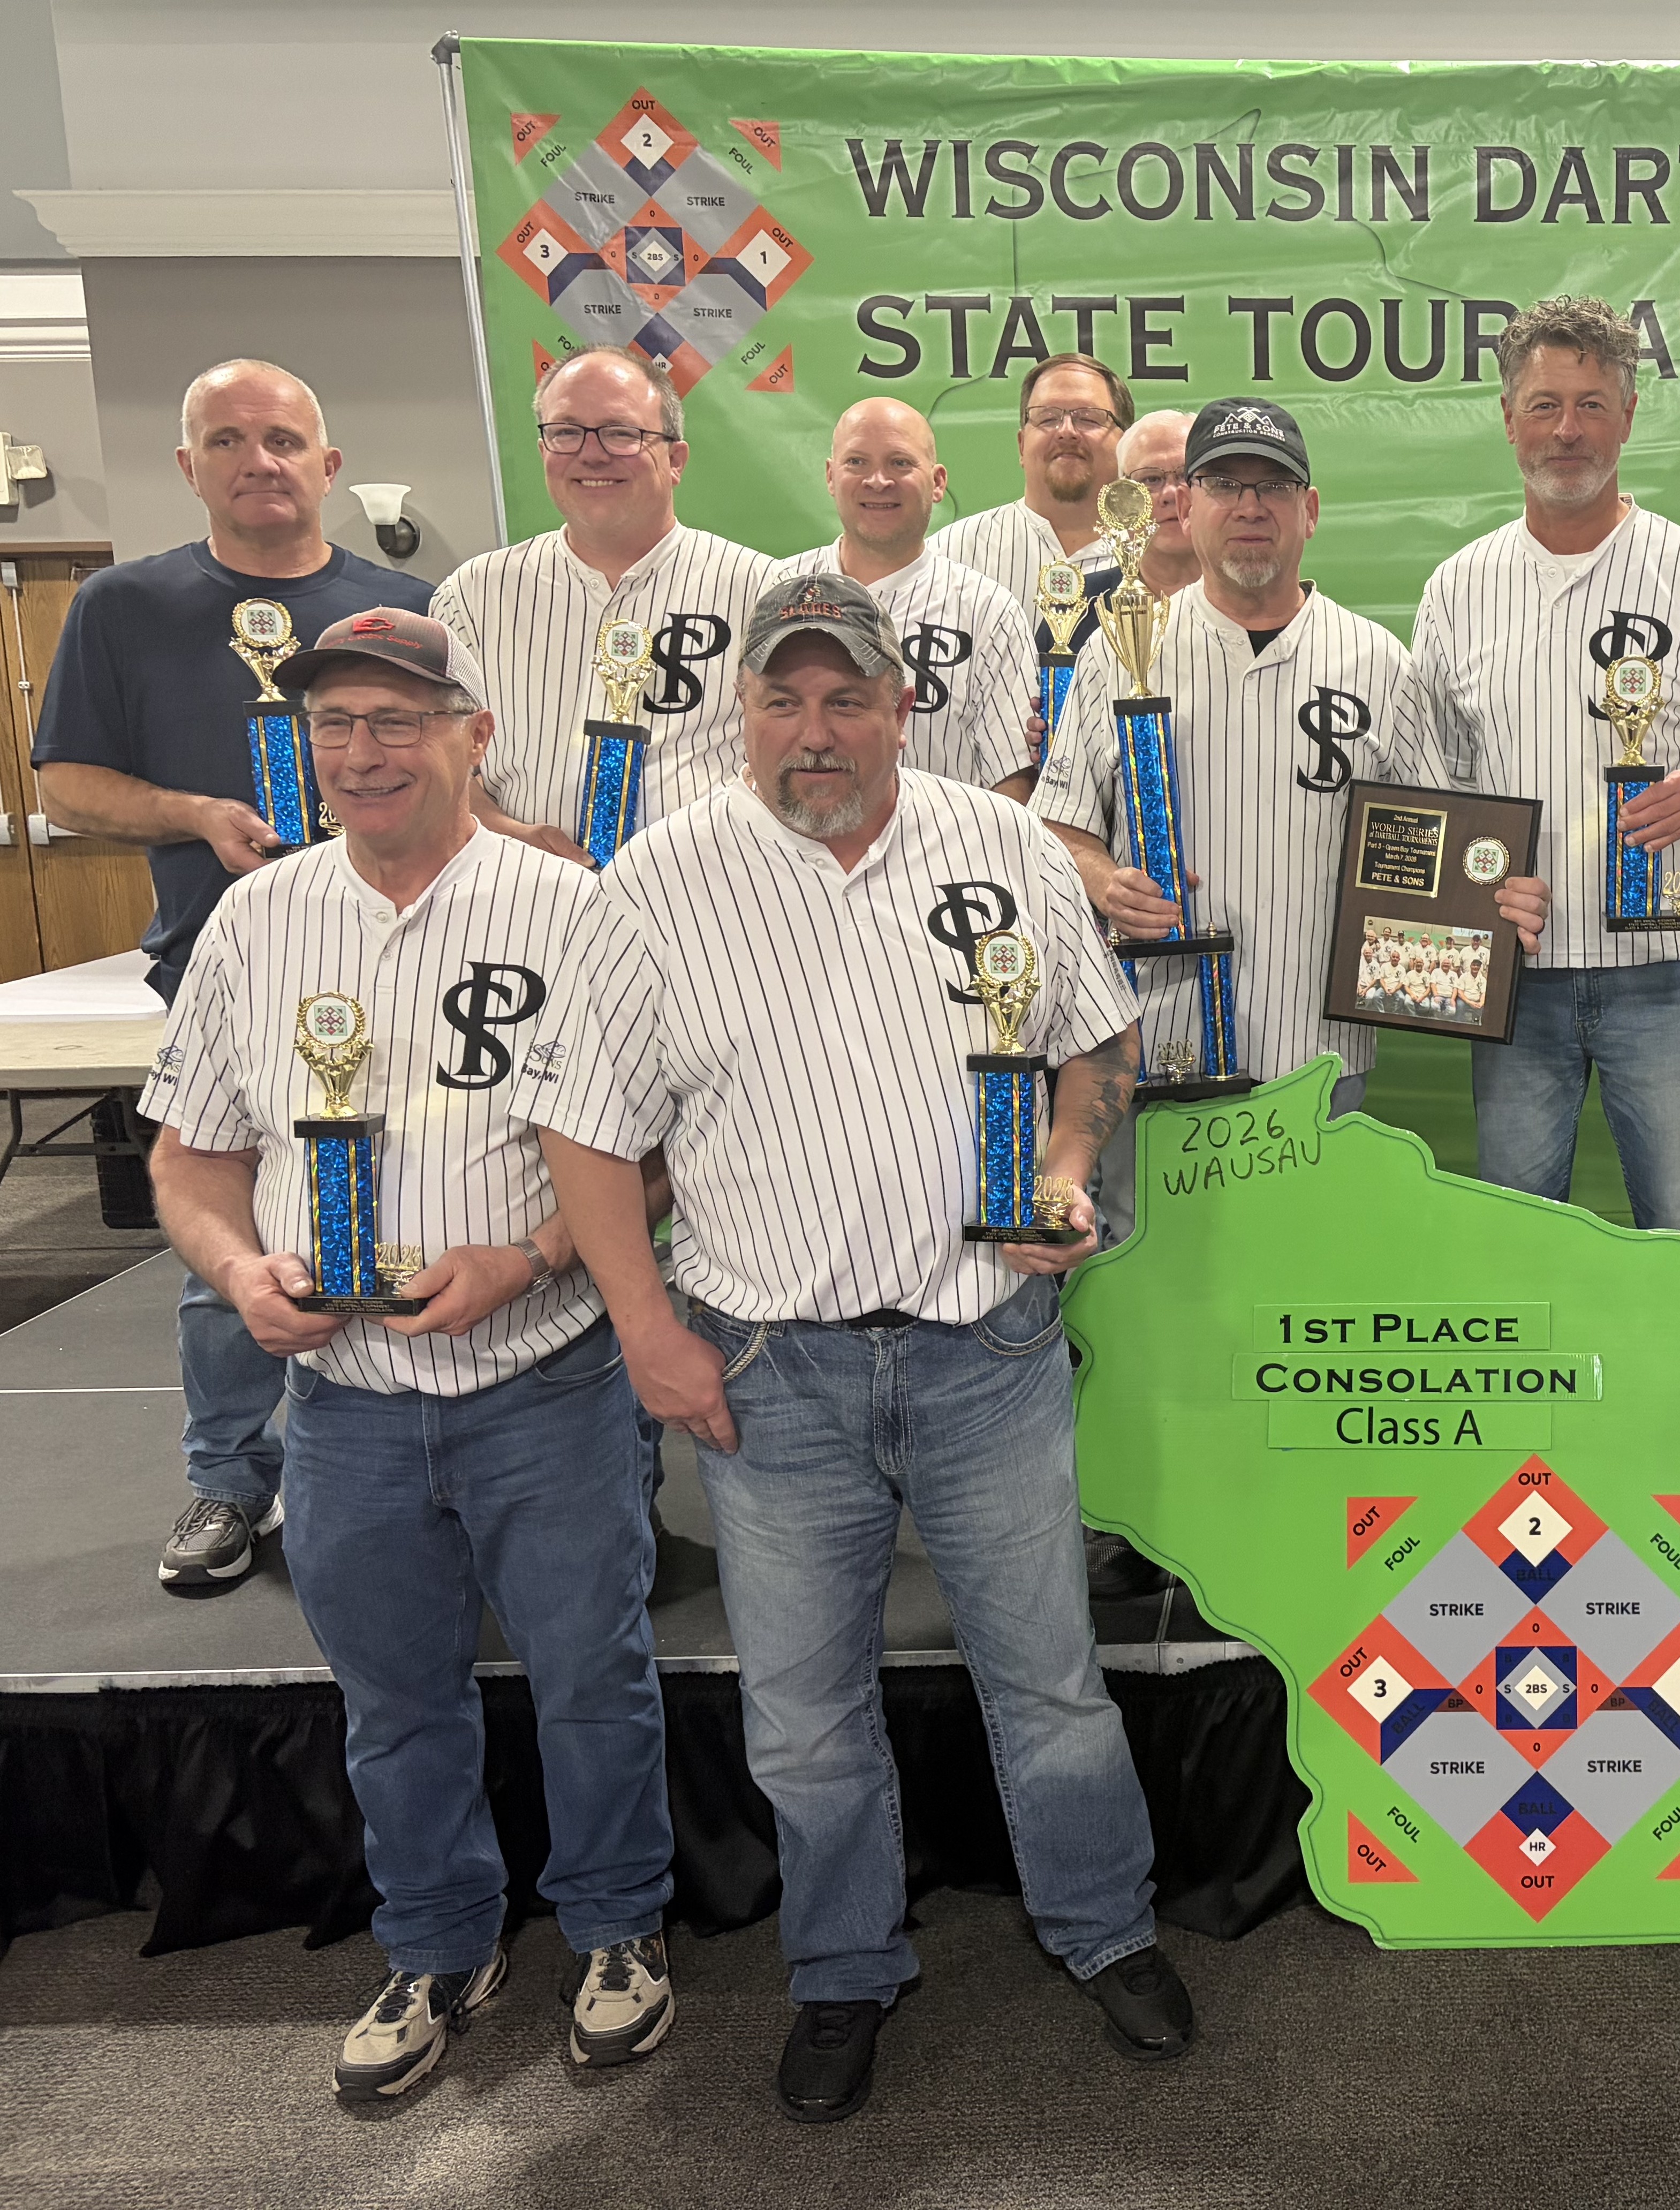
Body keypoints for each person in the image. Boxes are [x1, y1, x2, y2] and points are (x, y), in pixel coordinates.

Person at [534, 572, 1193, 2125]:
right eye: (784, 697)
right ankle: (841, 1965)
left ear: (903, 705)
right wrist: (645, 1328)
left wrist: (1067, 1167)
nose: (814, 728)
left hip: (987, 1348)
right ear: (742, 710)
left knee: (1050, 1682)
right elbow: (584, 1129)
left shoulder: (1002, 843)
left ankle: (1104, 1925)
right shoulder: (657, 879)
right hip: (773, 1369)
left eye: (846, 697)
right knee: (804, 1715)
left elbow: (1096, 1038)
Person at [139, 608, 676, 2104]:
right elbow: (191, 1158)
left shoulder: (574, 909)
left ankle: (618, 1926)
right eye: (336, 723)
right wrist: (242, 1269)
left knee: (592, 1678)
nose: (362, 752)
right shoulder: (256, 920)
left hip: (544, 1381)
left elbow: (657, 1155)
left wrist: (535, 1255)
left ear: (471, 736)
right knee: (392, 1700)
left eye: (397, 720)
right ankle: (439, 1941)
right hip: (346, 1403)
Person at [30, 357, 431, 1594]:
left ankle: (398, 1460)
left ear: (328, 463)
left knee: (410, 1208)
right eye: (228, 439)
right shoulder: (124, 605)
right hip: (225, 965)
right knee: (234, 1232)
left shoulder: (406, 607)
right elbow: (67, 784)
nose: (259, 460)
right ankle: (229, 1476)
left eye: (283, 439)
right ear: (188, 465)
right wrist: (194, 813)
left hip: (398, 961)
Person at [1035, 396, 1549, 1242]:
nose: (1250, 506)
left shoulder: (1378, 662)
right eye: (1225, 484)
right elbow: (1057, 826)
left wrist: (1497, 900)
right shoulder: (1120, 649)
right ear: (1187, 504)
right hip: (1157, 1044)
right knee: (1151, 1273)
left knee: (1303, 1268)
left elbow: (1438, 851)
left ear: (1309, 510)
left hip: (1320, 1052)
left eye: (1273, 486)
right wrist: (1103, 879)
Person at [1413, 296, 1680, 1255]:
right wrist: (1474, 885)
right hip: (1515, 976)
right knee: (1516, 1231)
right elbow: (1432, 782)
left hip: (1664, 973)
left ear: (1628, 415)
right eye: (1544, 406)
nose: (1567, 430)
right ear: (1508, 419)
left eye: (1591, 405)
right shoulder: (1458, 586)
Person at [430, 344, 775, 864]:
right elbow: (443, 760)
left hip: (710, 889)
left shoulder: (763, 591)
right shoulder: (472, 598)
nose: (591, 455)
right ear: (543, 450)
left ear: (676, 459)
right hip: (523, 892)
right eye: (567, 432)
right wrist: (505, 833)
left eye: (620, 432)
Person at [768, 397, 1034, 793]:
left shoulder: (987, 611)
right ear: (830, 476)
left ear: (938, 482)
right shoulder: (774, 591)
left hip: (944, 833)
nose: (878, 481)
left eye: (900, 463)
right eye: (857, 462)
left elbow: (1012, 778)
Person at [930, 351, 1132, 603]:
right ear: (1022, 445)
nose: (1066, 432)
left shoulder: (1162, 554)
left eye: (1088, 418)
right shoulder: (950, 553)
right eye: (1048, 418)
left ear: (1127, 445)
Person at [1115, 408, 1201, 598]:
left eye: (1185, 476)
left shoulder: (1262, 598)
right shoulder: (1081, 603)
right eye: (1151, 479)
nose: (1171, 494)